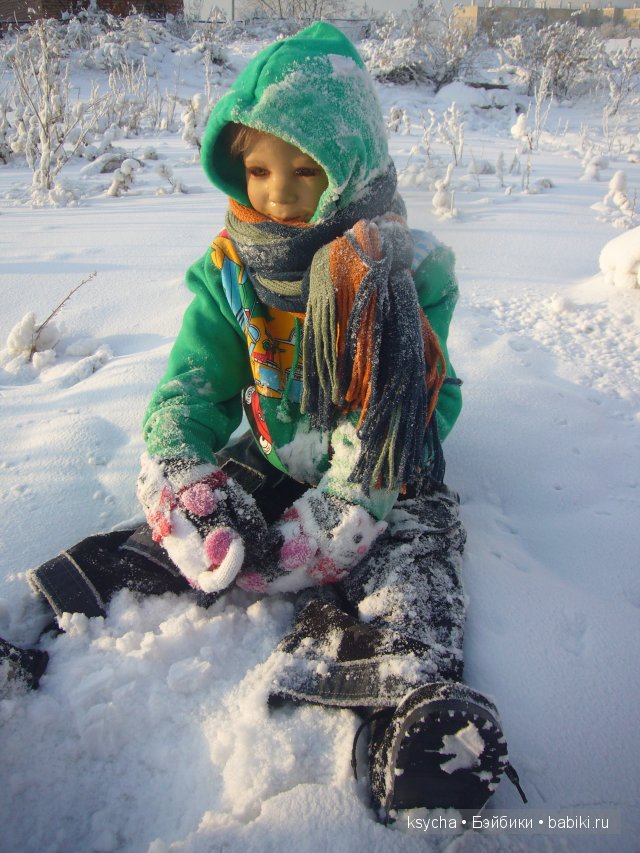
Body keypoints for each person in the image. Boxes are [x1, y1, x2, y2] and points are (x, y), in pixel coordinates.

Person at [1, 22, 526, 822]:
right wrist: (183, 466)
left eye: (306, 171)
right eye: (258, 168)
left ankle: (412, 718)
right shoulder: (231, 274)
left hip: (389, 462)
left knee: (414, 563)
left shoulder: (405, 275)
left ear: (351, 171)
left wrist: (352, 502)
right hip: (279, 447)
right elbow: (195, 381)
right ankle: (44, 617)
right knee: (188, 531)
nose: (276, 193)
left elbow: (427, 394)